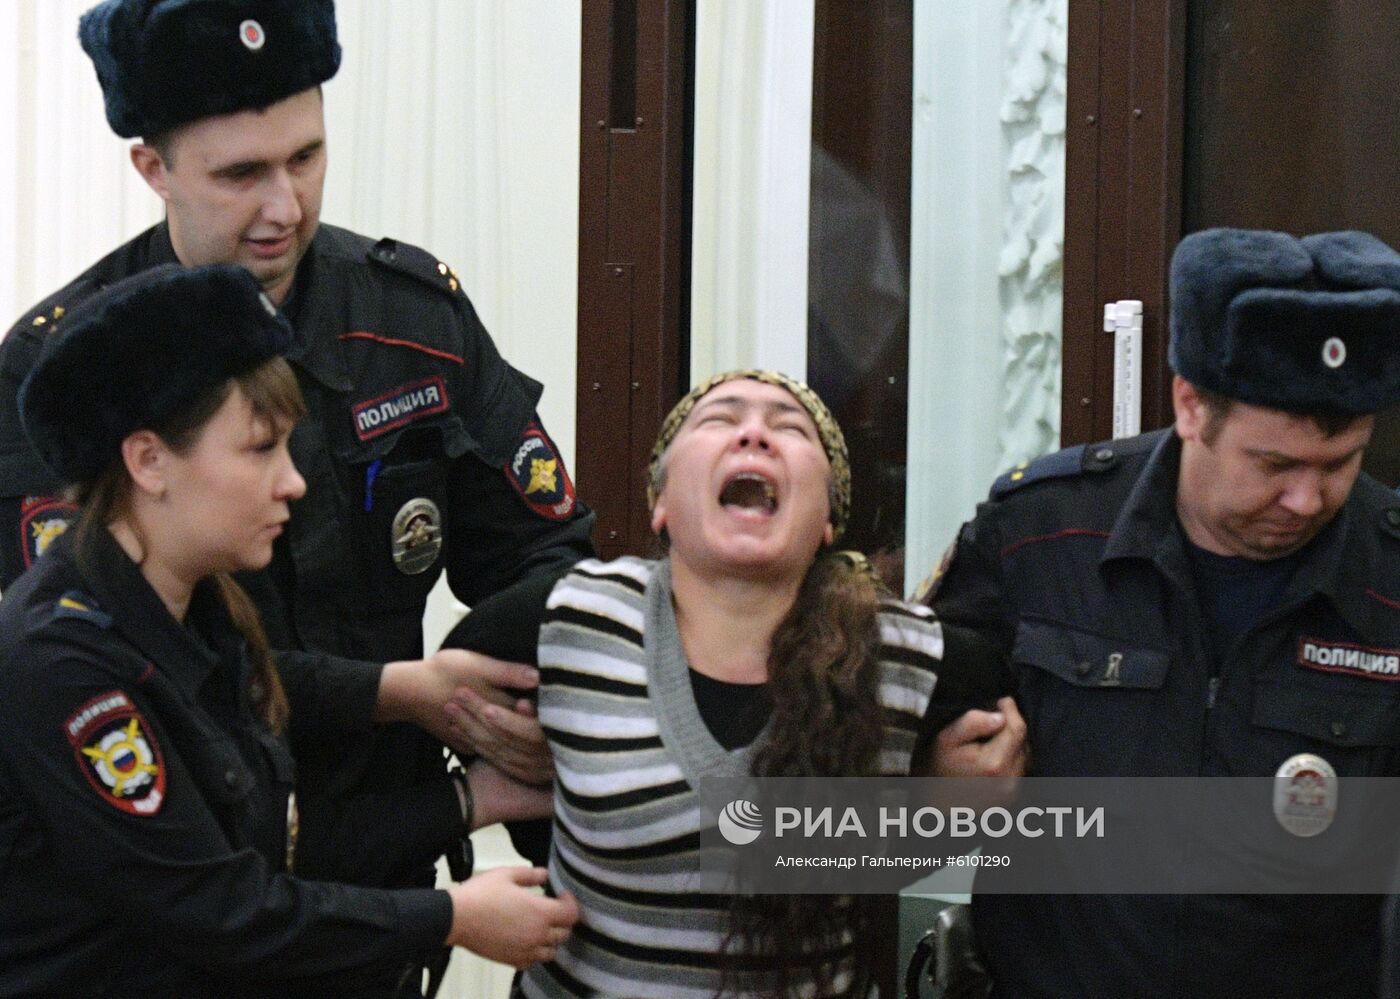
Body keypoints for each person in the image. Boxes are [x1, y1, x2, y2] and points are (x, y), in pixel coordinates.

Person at [0, 2, 590, 991]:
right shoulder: (70, 378)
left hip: (379, 887)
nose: (284, 206)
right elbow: (130, 669)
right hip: (173, 927)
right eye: (239, 175)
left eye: (306, 158)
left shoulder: (412, 320)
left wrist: (497, 701)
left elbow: (547, 555)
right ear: (153, 169)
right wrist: (404, 696)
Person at [924, 227, 1400, 997]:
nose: (1307, 500)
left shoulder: (1389, 581)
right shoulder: (1041, 540)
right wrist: (934, 793)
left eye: (1340, 462)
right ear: (1188, 404)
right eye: (1273, 464)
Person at [502, 370, 1023, 998]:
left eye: (789, 428)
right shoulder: (574, 616)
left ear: (829, 518)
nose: (754, 435)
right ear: (660, 503)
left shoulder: (908, 655)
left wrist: (938, 820)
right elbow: (417, 734)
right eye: (720, 419)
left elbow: (1113, 828)